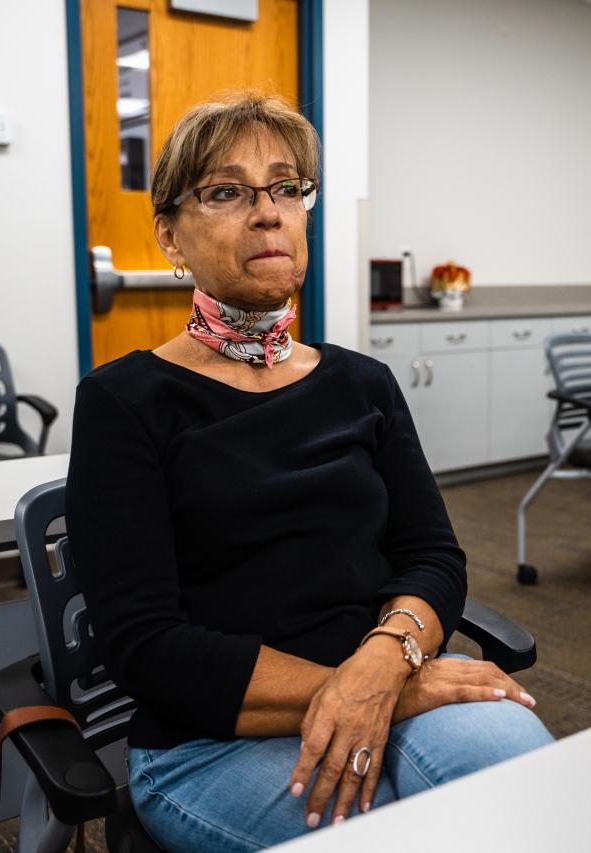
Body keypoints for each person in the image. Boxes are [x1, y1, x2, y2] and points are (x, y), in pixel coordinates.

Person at [65, 93, 552, 852]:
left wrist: (384, 666)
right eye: (227, 191)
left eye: (287, 188)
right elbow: (147, 644)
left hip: (390, 677)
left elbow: (432, 557)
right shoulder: (123, 401)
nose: (268, 213)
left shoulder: (363, 383)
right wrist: (391, 683)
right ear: (169, 235)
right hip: (216, 737)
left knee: (529, 800)